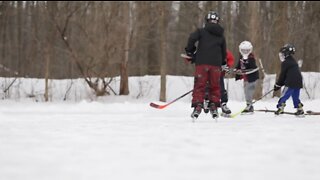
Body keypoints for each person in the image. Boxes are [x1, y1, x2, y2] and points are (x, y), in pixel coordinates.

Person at [184, 11, 227, 119]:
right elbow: (223, 51)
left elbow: (192, 38)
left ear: (207, 21)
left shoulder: (201, 31)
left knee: (200, 85)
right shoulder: (221, 35)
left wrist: (190, 51)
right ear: (217, 21)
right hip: (216, 64)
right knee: (215, 86)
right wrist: (223, 63)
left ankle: (198, 105)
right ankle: (214, 105)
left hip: (202, 63)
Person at [274, 44, 304, 116]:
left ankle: (281, 107)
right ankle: (299, 109)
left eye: (282, 54)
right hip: (298, 82)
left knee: (285, 95)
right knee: (295, 96)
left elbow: (283, 75)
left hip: (290, 83)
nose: (281, 56)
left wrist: (278, 84)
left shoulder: (285, 62)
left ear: (286, 54)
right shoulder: (293, 61)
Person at [235, 40, 259, 114]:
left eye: (247, 50)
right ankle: (249, 105)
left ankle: (249, 106)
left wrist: (244, 71)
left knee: (248, 91)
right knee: (246, 92)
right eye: (243, 50)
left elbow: (252, 67)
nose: (245, 52)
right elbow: (239, 65)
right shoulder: (241, 57)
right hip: (246, 78)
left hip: (252, 78)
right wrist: (237, 70)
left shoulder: (251, 58)